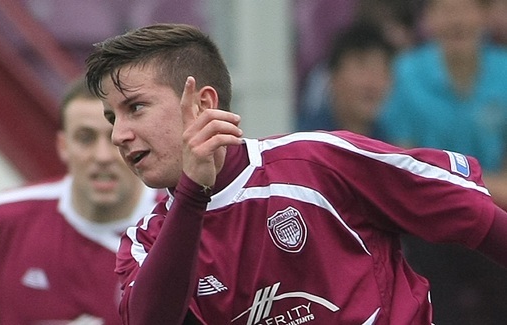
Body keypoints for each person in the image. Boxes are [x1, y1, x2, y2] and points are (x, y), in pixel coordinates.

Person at [84, 23, 507, 324]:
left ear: (201, 104)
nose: (119, 134)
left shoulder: (317, 161)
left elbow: (475, 217)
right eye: (111, 117)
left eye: (135, 107)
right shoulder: (146, 240)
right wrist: (194, 195)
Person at [0, 78, 161, 325]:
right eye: (85, 138)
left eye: (114, 138)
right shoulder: (3, 219)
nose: (102, 156)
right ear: (64, 146)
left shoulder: (178, 226)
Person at [376, 0, 507, 322]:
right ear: (428, 19)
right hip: (430, 220)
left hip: (495, 212)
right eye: (445, 9)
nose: (456, 19)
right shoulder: (406, 73)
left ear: (486, 14)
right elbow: (402, 165)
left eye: (466, 8)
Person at [297, 19, 396, 138]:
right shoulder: (303, 139)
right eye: (362, 67)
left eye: (382, 71)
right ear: (333, 75)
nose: (372, 84)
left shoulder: (389, 145)